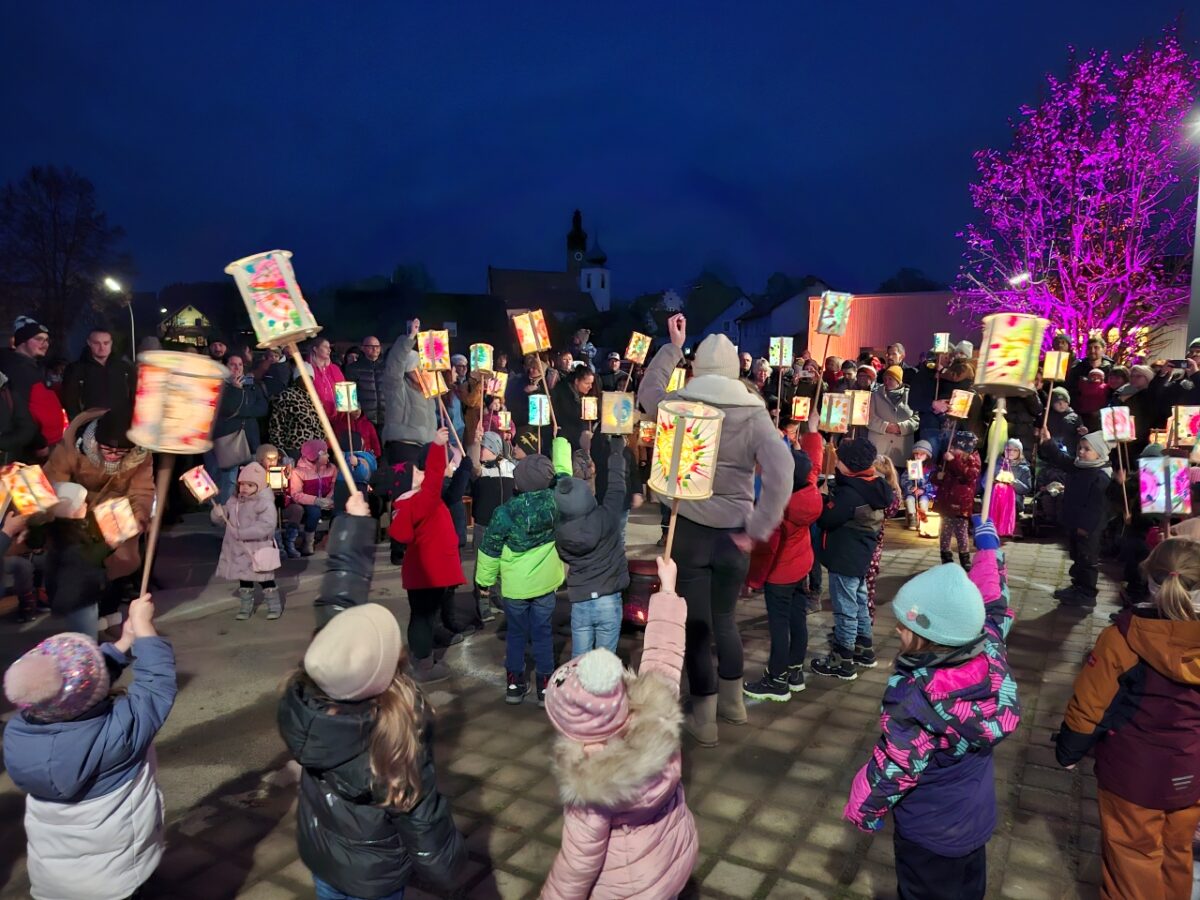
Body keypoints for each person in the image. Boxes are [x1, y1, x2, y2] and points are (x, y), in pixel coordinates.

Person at [637, 313, 793, 747]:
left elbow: (647, 392)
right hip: (734, 534)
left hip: (688, 526)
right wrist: (759, 526)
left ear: (698, 368)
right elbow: (782, 469)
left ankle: (704, 719)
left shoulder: (680, 404)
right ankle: (734, 703)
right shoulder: (755, 412)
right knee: (726, 619)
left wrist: (672, 346)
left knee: (697, 626)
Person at [845, 519, 1020, 900]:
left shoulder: (917, 698)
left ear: (930, 637)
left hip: (928, 832)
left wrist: (863, 808)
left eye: (904, 627)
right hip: (974, 819)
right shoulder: (989, 646)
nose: (897, 632)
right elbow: (992, 600)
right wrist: (988, 550)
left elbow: (896, 765)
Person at [277, 604, 465, 900]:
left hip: (323, 857)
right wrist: (447, 868)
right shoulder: (397, 734)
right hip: (377, 878)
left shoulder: (304, 711)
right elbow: (421, 819)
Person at [541, 557, 699, 898]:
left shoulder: (593, 783)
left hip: (625, 888)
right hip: (671, 857)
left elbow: (577, 864)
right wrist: (668, 591)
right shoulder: (654, 709)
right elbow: (663, 655)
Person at [3, 593, 176, 900]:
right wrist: (145, 630)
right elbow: (156, 686)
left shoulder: (19, 731)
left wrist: (123, 643)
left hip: (55, 879)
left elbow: (78, 692)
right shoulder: (118, 734)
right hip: (119, 878)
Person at [1054, 538, 1200, 900]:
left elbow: (1091, 702)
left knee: (1132, 859)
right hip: (1192, 772)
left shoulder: (1122, 637)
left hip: (1132, 776)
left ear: (1149, 579)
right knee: (1176, 852)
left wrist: (1069, 750)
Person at [44, 408, 153, 637]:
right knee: (82, 566)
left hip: (116, 512)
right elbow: (54, 480)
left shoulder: (141, 455)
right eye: (108, 449)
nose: (113, 455)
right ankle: (83, 625)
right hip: (76, 510)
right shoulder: (74, 446)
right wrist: (60, 508)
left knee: (123, 560)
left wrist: (140, 517)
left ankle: (108, 613)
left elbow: (141, 490)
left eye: (120, 451)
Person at [475, 448, 569, 707]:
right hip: (546, 582)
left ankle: (515, 684)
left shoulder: (505, 512)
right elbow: (564, 474)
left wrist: (484, 582)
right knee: (543, 633)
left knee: (516, 634)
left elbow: (490, 548)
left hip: (516, 586)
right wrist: (561, 443)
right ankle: (545, 686)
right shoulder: (556, 500)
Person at [810, 437, 895, 681]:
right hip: (860, 554)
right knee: (858, 602)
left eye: (839, 458)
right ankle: (864, 649)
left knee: (845, 609)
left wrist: (825, 499)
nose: (836, 460)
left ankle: (843, 660)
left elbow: (827, 519)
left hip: (845, 556)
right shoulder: (875, 485)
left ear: (848, 465)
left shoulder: (850, 493)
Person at [743, 447, 822, 701]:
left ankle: (777, 680)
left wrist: (753, 579)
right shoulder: (810, 492)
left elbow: (766, 549)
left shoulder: (780, 507)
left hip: (780, 572)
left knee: (779, 626)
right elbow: (814, 464)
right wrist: (811, 436)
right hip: (801, 566)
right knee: (797, 618)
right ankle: (795, 672)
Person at [387, 429, 465, 683]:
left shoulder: (407, 504)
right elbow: (434, 478)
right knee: (422, 617)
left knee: (424, 613)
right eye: (416, 473)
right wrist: (436, 446)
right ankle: (424, 664)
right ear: (409, 483)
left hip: (423, 571)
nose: (422, 472)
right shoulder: (420, 501)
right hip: (429, 571)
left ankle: (425, 650)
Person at [553, 435, 630, 656]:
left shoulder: (560, 531)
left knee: (580, 664)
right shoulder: (606, 517)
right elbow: (617, 487)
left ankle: (580, 691)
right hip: (608, 597)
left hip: (581, 601)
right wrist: (616, 454)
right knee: (605, 664)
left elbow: (565, 556)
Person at [1039, 427, 1113, 607]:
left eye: (1087, 449)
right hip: (1074, 521)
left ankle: (1087, 593)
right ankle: (1077, 586)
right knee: (1077, 555)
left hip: (1088, 528)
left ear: (1099, 453)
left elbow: (1097, 507)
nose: (1081, 452)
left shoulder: (1100, 476)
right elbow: (1061, 459)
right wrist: (1049, 442)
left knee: (1087, 558)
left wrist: (1085, 527)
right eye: (1080, 447)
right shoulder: (1079, 466)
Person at [214, 462, 282, 621]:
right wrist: (218, 513)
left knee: (265, 580)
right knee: (244, 580)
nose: (245, 488)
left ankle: (274, 605)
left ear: (259, 486)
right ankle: (246, 606)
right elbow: (224, 518)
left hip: (257, 549)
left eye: (250, 485)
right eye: (242, 484)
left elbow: (266, 526)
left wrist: (241, 533)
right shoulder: (234, 501)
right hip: (238, 550)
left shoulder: (264, 504)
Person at [382, 319, 437, 498]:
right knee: (406, 494)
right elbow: (394, 367)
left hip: (424, 447)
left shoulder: (426, 391)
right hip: (403, 446)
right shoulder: (397, 386)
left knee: (423, 495)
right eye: (418, 368)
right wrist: (410, 338)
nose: (422, 372)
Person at [207, 353, 270, 504]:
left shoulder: (252, 385)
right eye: (233, 365)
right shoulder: (220, 386)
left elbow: (262, 408)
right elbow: (227, 409)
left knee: (252, 477)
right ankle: (224, 513)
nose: (237, 368)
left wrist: (243, 411)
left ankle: (247, 511)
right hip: (229, 438)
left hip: (250, 437)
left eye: (240, 364)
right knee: (229, 479)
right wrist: (236, 390)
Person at [0, 316, 64, 460]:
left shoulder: (31, 366)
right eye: (38, 339)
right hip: (31, 450)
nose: (45, 344)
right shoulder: (17, 369)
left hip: (44, 444)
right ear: (23, 341)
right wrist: (38, 443)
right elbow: (20, 412)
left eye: (47, 340)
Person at [60, 328, 136, 420]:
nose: (102, 347)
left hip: (121, 424)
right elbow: (70, 401)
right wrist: (79, 424)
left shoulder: (124, 368)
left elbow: (134, 395)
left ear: (111, 343)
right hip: (89, 425)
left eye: (106, 343)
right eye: (97, 343)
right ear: (89, 343)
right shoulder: (75, 369)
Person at [935, 430, 982, 569]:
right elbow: (938, 475)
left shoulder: (972, 461)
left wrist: (953, 460)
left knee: (961, 532)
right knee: (945, 531)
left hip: (961, 503)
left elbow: (967, 475)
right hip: (946, 501)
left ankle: (964, 557)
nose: (951, 450)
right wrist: (937, 477)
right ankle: (946, 556)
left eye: (954, 448)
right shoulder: (948, 460)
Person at [268, 360, 325, 460]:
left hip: (315, 450)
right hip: (295, 449)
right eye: (304, 378)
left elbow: (320, 424)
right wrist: (280, 449)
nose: (307, 381)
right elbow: (276, 424)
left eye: (310, 378)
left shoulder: (314, 398)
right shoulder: (287, 395)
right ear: (297, 379)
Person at [288, 439, 336, 557]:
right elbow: (296, 494)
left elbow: (335, 486)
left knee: (340, 510)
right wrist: (316, 500)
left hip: (328, 500)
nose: (328, 455)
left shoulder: (332, 468)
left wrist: (330, 498)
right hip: (309, 502)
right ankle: (309, 542)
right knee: (314, 512)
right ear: (315, 456)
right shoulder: (298, 472)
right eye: (324, 453)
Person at [867, 365, 918, 466]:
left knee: (896, 480)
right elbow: (868, 418)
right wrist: (886, 427)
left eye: (890, 379)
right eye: (885, 379)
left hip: (901, 450)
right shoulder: (874, 396)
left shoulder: (912, 395)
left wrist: (901, 428)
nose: (886, 382)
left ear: (899, 381)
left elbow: (916, 419)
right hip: (879, 449)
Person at [990, 438, 1033, 538]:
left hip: (1014, 496)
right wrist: (995, 478)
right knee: (993, 495)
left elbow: (1027, 488)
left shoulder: (1024, 469)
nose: (1011, 452)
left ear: (1020, 452)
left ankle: (1015, 526)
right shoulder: (998, 465)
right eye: (1008, 450)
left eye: (1015, 450)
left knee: (1014, 499)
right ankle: (993, 525)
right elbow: (986, 481)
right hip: (998, 494)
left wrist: (1014, 482)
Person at [345, 335, 386, 430]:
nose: (375, 349)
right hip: (365, 417)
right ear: (363, 348)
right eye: (371, 346)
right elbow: (351, 392)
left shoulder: (387, 366)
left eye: (377, 346)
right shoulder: (353, 368)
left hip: (386, 416)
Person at [551, 364, 595, 450]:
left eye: (591, 383)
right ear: (577, 381)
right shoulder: (561, 393)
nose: (590, 386)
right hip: (565, 436)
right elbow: (568, 417)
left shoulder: (585, 395)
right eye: (587, 383)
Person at [307, 337, 346, 421]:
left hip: (338, 417)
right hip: (316, 417)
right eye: (325, 347)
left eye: (329, 347)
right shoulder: (308, 369)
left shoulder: (335, 368)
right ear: (315, 349)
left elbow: (343, 389)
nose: (329, 350)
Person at [901, 440, 935, 529]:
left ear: (927, 455)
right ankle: (912, 519)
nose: (918, 456)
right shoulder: (911, 466)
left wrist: (923, 489)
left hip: (925, 493)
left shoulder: (931, 469)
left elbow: (934, 483)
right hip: (912, 492)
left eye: (922, 454)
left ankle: (922, 520)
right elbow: (904, 479)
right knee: (909, 500)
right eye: (916, 454)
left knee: (923, 502)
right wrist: (911, 487)